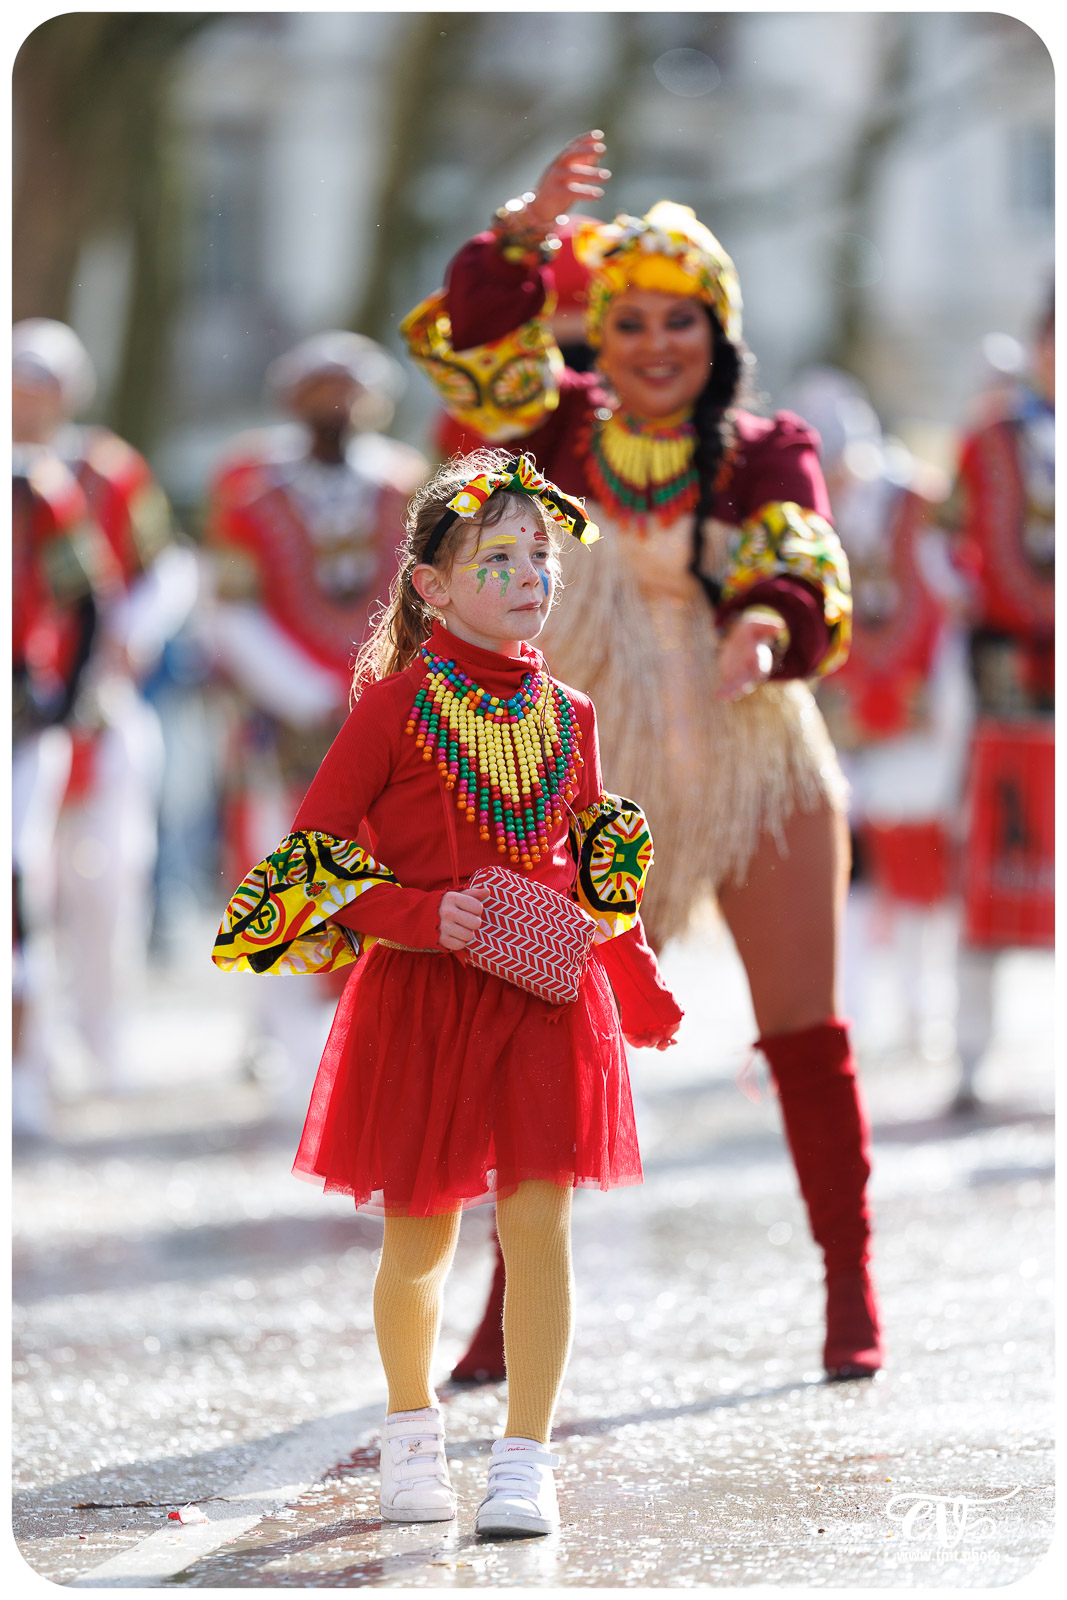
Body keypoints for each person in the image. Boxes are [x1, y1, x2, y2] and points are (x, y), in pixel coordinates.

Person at [402, 131, 881, 1382]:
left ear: (718, 333)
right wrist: (520, 235)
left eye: (681, 321)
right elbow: (477, 340)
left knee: (803, 1030)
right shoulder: (553, 427)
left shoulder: (765, 445)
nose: (655, 343)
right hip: (598, 776)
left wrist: (763, 625)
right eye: (629, 323)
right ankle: (506, 1306)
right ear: (597, 337)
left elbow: (800, 548)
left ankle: (848, 1286)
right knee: (548, 1029)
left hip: (753, 753)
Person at [212, 449, 681, 1536]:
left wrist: (634, 978)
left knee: (539, 1227)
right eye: (497, 557)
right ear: (430, 586)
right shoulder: (389, 710)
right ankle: (412, 1431)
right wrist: (422, 917)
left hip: (545, 1006)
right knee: (419, 1239)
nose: (528, 574)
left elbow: (592, 870)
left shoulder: (571, 714)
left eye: (541, 554)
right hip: (422, 1004)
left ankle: (525, 1458)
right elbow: (311, 858)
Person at [203, 331, 426, 1113]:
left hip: (390, 711)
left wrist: (387, 687)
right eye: (319, 392)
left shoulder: (409, 486)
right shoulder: (249, 493)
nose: (336, 407)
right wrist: (309, 693)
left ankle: (377, 1040)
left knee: (393, 862)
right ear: (291, 401)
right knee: (278, 860)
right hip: (282, 723)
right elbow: (230, 609)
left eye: (349, 392)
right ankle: (291, 1047)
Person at [12, 318, 197, 1092]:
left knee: (108, 879)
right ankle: (31, 1055)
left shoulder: (107, 468)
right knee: (30, 881)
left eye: (44, 386)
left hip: (96, 701)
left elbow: (165, 567)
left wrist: (129, 633)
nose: (30, 401)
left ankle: (103, 1041)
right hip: (28, 700)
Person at [783, 367, 972, 1060]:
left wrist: (941, 701)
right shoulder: (805, 517)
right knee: (848, 864)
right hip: (842, 712)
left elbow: (955, 599)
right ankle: (851, 1012)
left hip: (921, 708)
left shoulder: (920, 502)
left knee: (923, 864)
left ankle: (925, 1013)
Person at [943, 298, 1054, 1111]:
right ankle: (971, 1059)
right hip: (1005, 684)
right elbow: (941, 544)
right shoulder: (987, 442)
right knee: (991, 865)